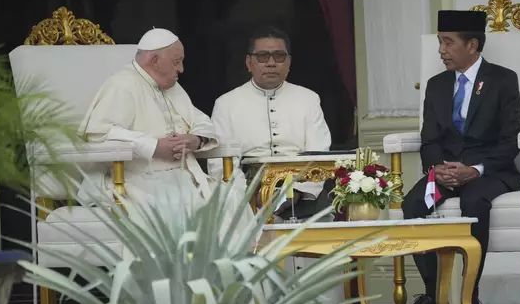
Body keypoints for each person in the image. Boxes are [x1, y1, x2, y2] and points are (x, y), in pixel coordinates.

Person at [392, 10, 520, 304]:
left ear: (472, 45)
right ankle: (432, 294)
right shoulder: (437, 85)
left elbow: (510, 140)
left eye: (448, 43)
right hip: (446, 172)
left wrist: (475, 170)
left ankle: (470, 295)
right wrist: (439, 170)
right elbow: (429, 139)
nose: (441, 50)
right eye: (440, 42)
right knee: (414, 204)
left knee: (474, 200)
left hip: (489, 172)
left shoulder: (503, 80)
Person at [76, 28, 255, 245]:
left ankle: (230, 277)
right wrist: (152, 146)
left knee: (233, 201)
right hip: (138, 182)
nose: (181, 69)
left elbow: (202, 121)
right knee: (180, 212)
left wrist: (196, 139)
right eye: (176, 61)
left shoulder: (172, 87)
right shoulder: (123, 84)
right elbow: (97, 133)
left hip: (183, 179)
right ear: (154, 61)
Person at [208, 26, 334, 222]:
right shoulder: (226, 104)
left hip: (303, 196)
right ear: (249, 63)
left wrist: (296, 193)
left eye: (279, 56)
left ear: (289, 62)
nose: (271, 63)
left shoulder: (308, 99)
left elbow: (319, 153)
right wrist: (249, 196)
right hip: (245, 200)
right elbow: (220, 164)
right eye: (263, 56)